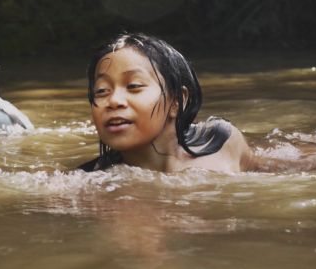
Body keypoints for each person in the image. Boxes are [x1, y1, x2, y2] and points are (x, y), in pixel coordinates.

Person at [77, 33, 254, 173]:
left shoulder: (219, 141)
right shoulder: (92, 179)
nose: (113, 101)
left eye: (134, 86)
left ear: (177, 101)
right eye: (101, 91)